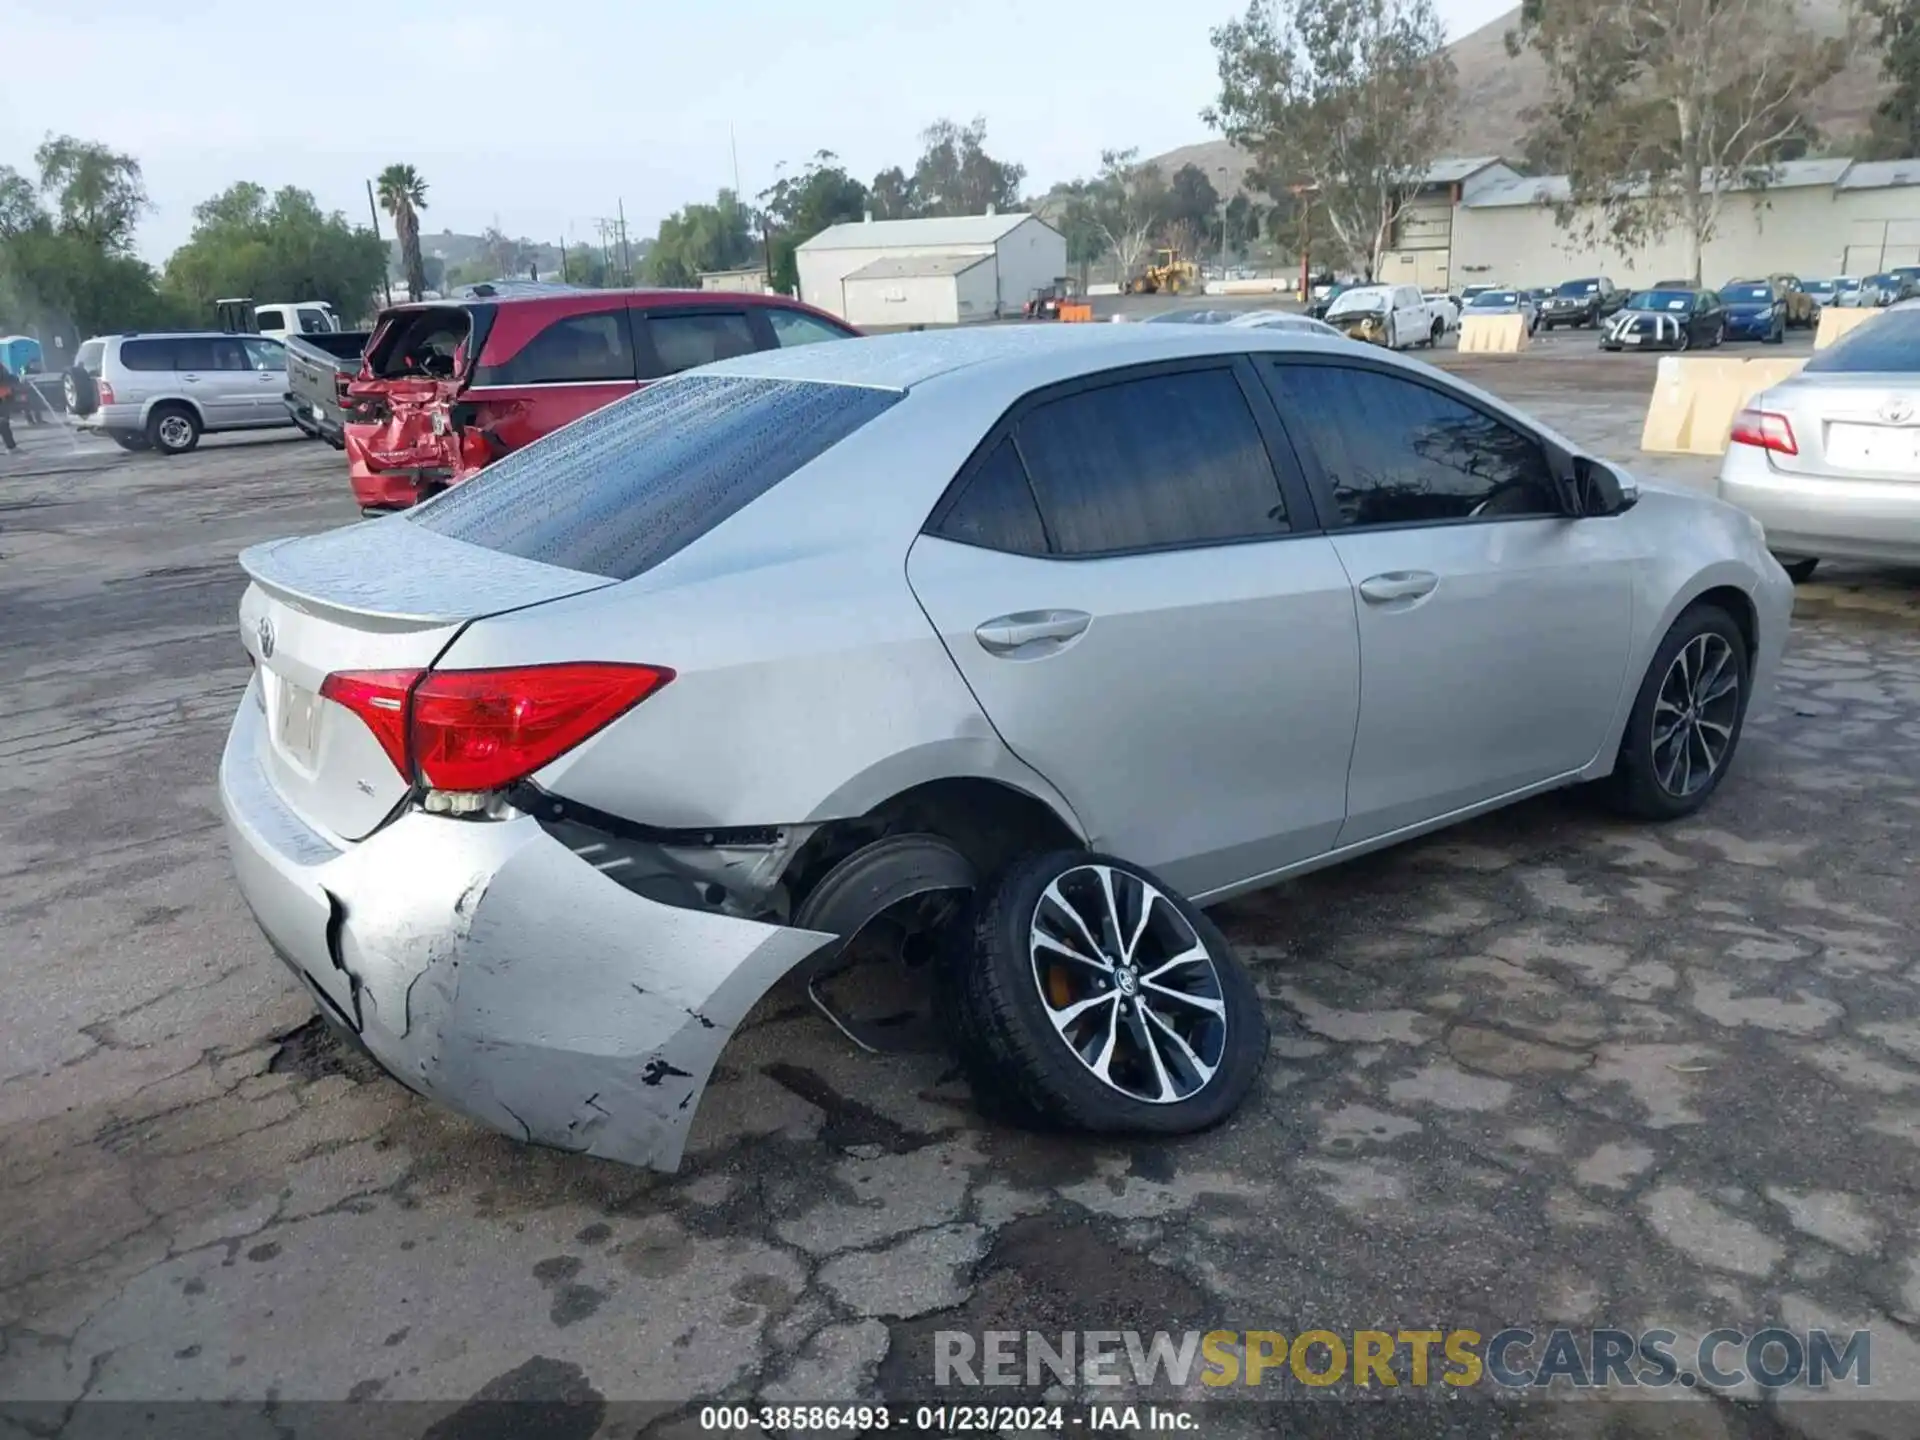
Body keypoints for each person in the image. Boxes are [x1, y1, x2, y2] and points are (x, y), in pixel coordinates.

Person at [0, 362, 19, 453]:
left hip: (4, 396)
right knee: (3, 423)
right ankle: (11, 447)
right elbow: (4, 377)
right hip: (2, 397)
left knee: (4, 423)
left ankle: (11, 447)